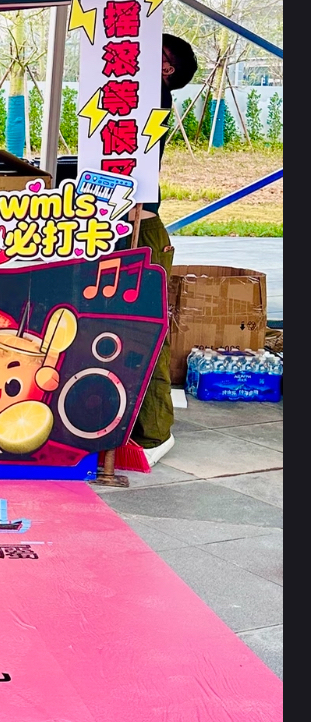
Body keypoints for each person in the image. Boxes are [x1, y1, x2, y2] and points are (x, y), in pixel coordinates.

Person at [129, 33, 199, 453]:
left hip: (142, 230)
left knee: (145, 328)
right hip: (123, 227)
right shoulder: (138, 95)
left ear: (166, 68)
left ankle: (154, 433)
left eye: (153, 49)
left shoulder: (153, 96)